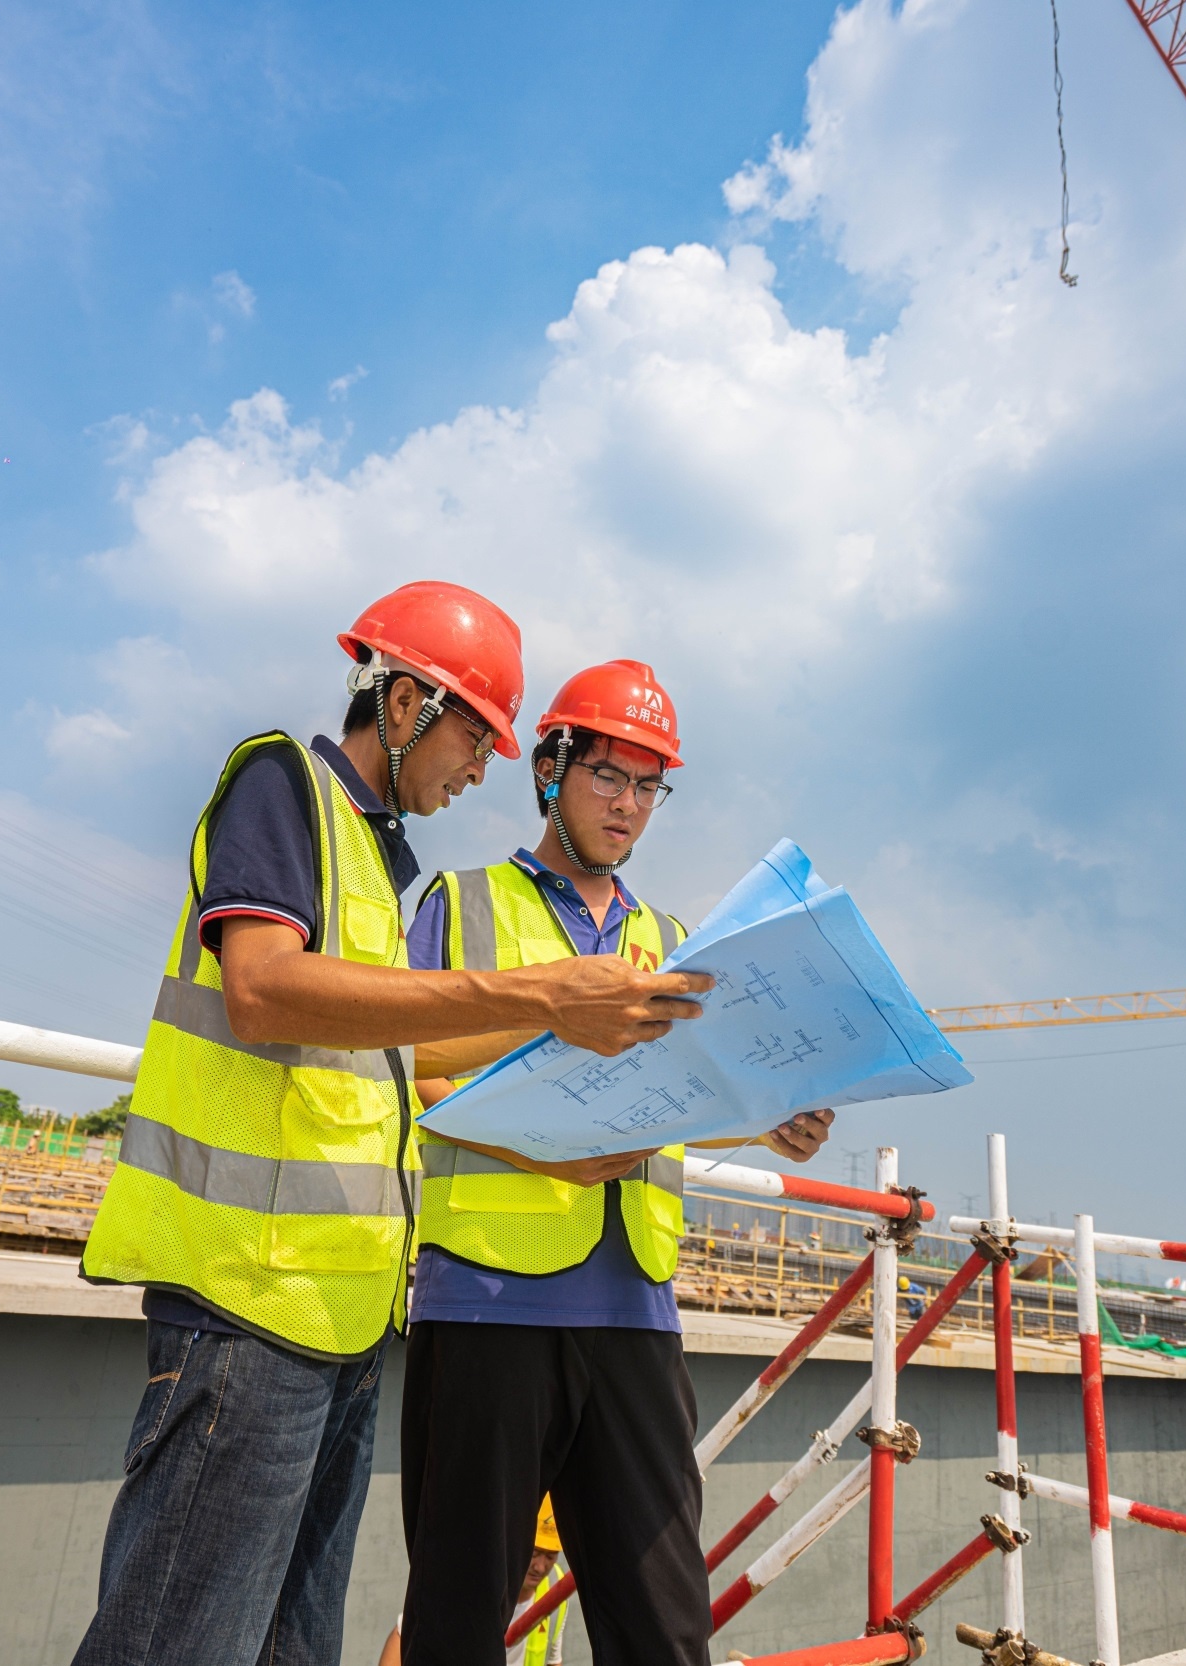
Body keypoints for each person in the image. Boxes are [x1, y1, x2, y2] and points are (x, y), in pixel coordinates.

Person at [72, 590, 716, 1666]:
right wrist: (537, 1000)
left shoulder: (380, 864)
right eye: (475, 738)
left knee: (287, 1642)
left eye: (652, 786)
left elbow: (395, 1066)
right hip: (250, 1298)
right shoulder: (287, 784)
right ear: (409, 700)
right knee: (181, 1639)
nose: (476, 772)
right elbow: (266, 993)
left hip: (346, 1314)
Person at [397, 660, 833, 1666]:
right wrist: (554, 1131)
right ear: (548, 767)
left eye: (648, 786)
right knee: (458, 1626)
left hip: (635, 1313)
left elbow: (684, 1097)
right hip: (486, 1305)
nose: (629, 805)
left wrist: (766, 1118)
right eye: (607, 776)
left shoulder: (672, 940)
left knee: (666, 1633)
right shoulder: (461, 906)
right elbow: (409, 1071)